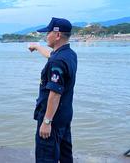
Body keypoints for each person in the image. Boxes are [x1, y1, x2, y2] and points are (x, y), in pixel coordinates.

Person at [29, 17, 77, 163]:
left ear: (57, 35)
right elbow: (51, 55)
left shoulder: (57, 61)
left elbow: (55, 94)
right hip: (64, 116)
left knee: (46, 158)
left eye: (48, 32)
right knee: (65, 156)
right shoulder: (69, 54)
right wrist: (37, 47)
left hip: (53, 119)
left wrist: (47, 122)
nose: (46, 36)